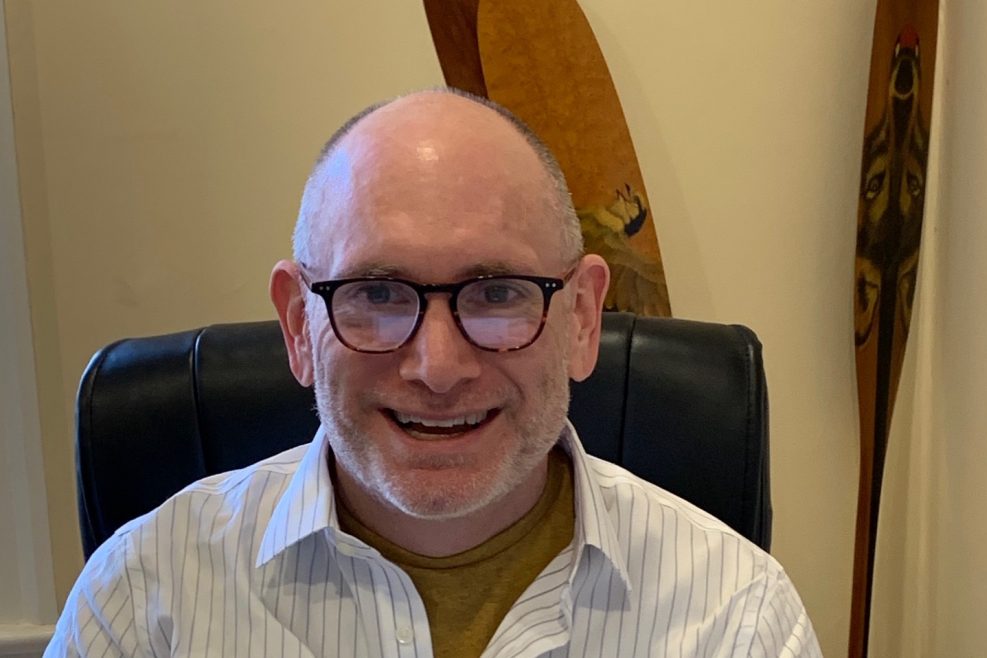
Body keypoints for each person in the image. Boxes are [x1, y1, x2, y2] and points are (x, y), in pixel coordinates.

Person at [46, 89, 822, 657]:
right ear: (298, 325)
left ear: (583, 318)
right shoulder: (144, 602)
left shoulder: (737, 619)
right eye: (377, 294)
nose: (439, 367)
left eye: (498, 293)